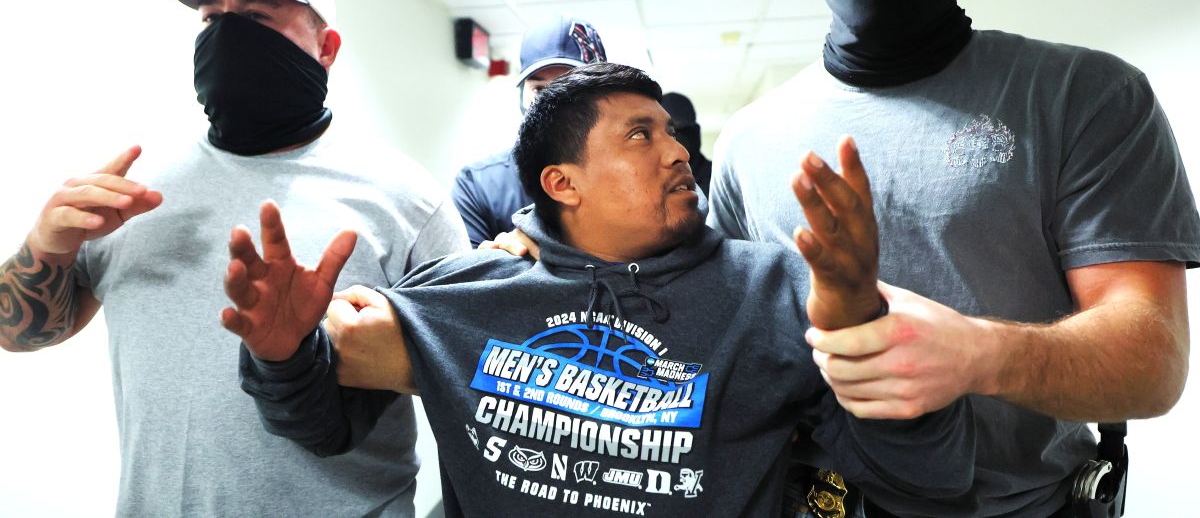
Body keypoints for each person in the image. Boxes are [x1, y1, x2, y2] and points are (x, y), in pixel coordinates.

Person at [221, 65, 977, 517]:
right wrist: (284, 354)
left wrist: (861, 326)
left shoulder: (773, 291)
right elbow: (323, 424)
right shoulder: (467, 291)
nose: (679, 151)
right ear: (563, 182)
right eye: (641, 135)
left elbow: (928, 479)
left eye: (675, 132)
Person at [706, 0, 1200, 516]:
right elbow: (728, 340)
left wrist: (981, 355)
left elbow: (1154, 360)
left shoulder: (1081, 95)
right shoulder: (747, 139)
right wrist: (548, 245)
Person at [0, 0, 468, 516]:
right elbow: (22, 334)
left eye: (255, 17)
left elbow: (462, 384)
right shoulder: (135, 185)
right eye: (212, 18)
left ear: (326, 47)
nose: (227, 36)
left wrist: (310, 353)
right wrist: (46, 247)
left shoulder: (404, 199)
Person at [452, 14, 606, 247]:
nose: (553, 102)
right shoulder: (479, 184)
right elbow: (458, 277)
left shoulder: (632, 174)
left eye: (571, 88)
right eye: (539, 89)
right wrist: (494, 263)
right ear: (522, 95)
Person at [660, 92, 712, 196]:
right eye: (671, 133)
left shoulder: (718, 177)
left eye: (682, 130)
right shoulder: (653, 182)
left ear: (695, 131)